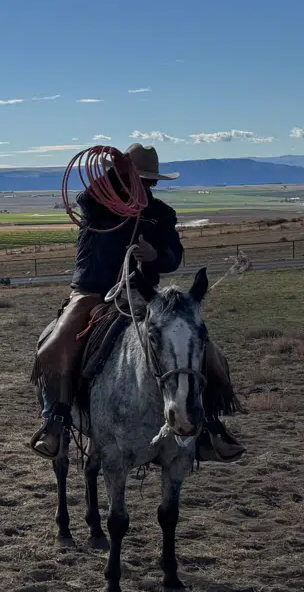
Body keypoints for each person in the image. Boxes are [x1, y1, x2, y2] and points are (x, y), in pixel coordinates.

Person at [29, 143, 245, 463]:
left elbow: (173, 255)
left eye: (148, 182)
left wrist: (155, 256)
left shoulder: (161, 214)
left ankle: (210, 427)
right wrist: (113, 173)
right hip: (92, 293)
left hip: (144, 295)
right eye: (136, 178)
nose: (143, 186)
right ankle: (56, 420)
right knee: (55, 345)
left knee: (207, 351)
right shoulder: (98, 204)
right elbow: (85, 199)